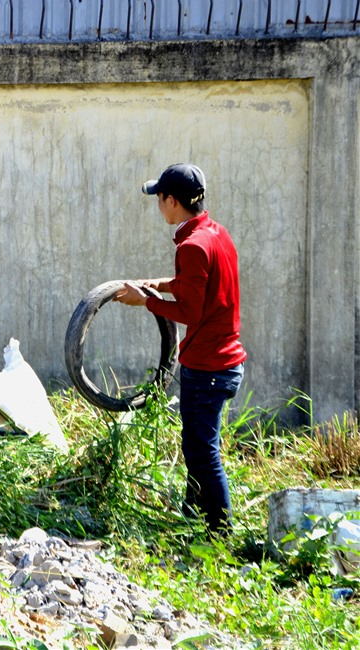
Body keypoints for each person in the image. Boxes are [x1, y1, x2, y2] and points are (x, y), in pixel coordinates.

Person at [114, 163, 247, 534]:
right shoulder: (216, 234)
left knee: (203, 453)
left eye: (159, 198)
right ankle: (192, 514)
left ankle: (221, 535)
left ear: (172, 201)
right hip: (225, 362)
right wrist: (156, 284)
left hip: (207, 367)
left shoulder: (190, 246)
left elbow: (189, 310)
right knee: (199, 447)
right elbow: (195, 286)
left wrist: (146, 301)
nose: (158, 204)